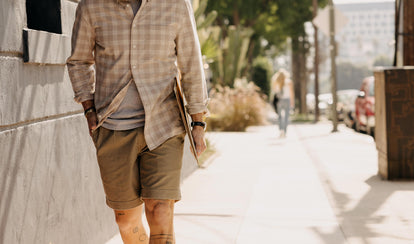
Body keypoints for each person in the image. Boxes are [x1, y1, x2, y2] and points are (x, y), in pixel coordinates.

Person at [66, 0, 209, 243]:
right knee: (126, 221)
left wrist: (198, 123)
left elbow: (191, 62)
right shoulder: (91, 6)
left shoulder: (175, 4)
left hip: (165, 125)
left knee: (160, 210)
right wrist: (89, 108)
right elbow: (79, 61)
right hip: (113, 128)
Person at [271, 69, 294, 138]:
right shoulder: (289, 82)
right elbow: (291, 93)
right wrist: (292, 102)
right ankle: (285, 131)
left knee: (280, 117)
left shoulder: (276, 82)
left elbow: (274, 92)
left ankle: (281, 130)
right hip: (287, 100)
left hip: (280, 101)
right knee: (286, 117)